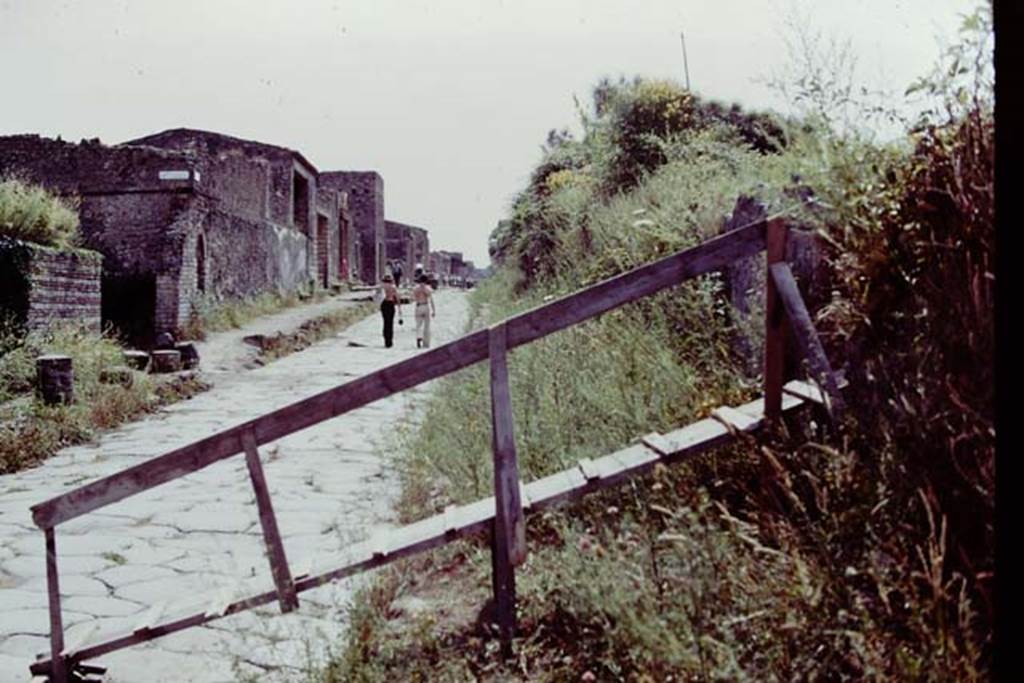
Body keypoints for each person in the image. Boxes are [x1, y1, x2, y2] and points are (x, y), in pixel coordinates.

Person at [412, 273, 436, 348]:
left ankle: (418, 337)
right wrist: (434, 310)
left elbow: (413, 298)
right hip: (425, 306)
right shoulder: (428, 289)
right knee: (426, 326)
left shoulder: (416, 288)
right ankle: (426, 343)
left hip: (418, 306)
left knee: (418, 325)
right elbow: (431, 300)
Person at [378, 273, 402, 348]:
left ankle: (386, 339)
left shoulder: (382, 287)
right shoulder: (393, 287)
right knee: (390, 323)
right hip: (391, 304)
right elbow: (397, 298)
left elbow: (378, 297)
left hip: (384, 304)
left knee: (385, 322)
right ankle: (389, 341)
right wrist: (399, 308)